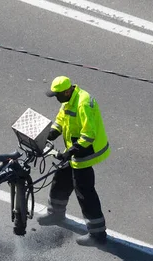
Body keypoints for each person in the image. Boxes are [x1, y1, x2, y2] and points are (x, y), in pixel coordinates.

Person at [37, 76, 111, 246]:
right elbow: (61, 120)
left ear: (67, 91)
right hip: (73, 148)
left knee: (84, 191)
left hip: (87, 150)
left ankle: (98, 234)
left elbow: (89, 134)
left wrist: (70, 152)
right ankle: (55, 213)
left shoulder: (83, 103)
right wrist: (51, 134)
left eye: (57, 95)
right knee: (61, 179)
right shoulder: (68, 100)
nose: (56, 98)